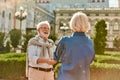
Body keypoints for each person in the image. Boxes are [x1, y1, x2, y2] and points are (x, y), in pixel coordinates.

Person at [54, 12, 95, 80]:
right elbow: (91, 60)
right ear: (87, 25)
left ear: (72, 24)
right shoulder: (90, 42)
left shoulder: (64, 40)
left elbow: (56, 58)